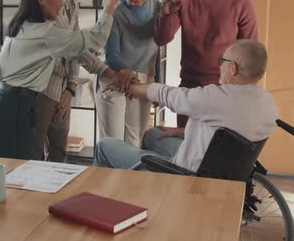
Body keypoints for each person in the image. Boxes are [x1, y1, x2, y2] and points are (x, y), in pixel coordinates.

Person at [0, 0, 126, 159]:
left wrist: (106, 73)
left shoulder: (23, 23)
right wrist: (110, 2)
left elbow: (77, 50)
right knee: (17, 172)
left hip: (0, 101)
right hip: (15, 106)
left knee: (4, 170)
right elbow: (95, 39)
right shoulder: (47, 32)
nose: (62, 3)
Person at [94, 40, 278, 172]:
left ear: (232, 69)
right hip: (220, 166)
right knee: (153, 135)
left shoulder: (217, 98)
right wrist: (181, 131)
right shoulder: (267, 103)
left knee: (104, 145)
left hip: (186, 173)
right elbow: (225, 133)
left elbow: (168, 94)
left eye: (223, 61)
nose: (219, 66)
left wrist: (130, 86)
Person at [34, 0, 124, 162]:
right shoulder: (49, 2)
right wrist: (111, 2)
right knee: (32, 159)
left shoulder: (72, 2)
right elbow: (85, 43)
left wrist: (70, 89)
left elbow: (75, 49)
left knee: (58, 157)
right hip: (41, 92)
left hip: (61, 91)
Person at [155, 0, 258, 127]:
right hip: (190, 90)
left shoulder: (242, 4)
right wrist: (165, 14)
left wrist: (244, 98)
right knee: (187, 150)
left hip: (225, 92)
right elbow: (161, 39)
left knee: (218, 152)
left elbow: (249, 57)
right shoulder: (183, 0)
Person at [94, 0, 162, 148]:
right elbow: (111, 52)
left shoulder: (159, 9)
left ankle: (130, 178)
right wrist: (126, 72)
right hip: (114, 76)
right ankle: (108, 177)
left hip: (142, 79)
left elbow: (158, 49)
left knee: (134, 140)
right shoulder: (114, 10)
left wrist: (158, 85)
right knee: (112, 142)